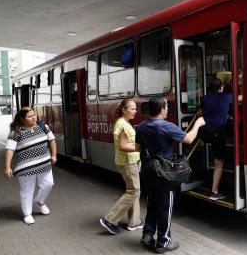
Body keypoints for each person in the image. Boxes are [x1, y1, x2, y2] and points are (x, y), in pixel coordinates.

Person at [136, 97, 205, 254]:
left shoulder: (142, 126)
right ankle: (163, 242)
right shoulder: (167, 126)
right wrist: (197, 124)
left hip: (148, 170)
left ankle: (147, 235)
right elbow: (189, 139)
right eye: (166, 107)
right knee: (165, 207)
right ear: (161, 110)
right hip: (164, 173)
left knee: (152, 203)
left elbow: (138, 147)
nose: (167, 109)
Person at [4, 107, 57, 225]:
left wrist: (54, 155)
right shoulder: (15, 132)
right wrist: (7, 167)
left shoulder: (43, 127)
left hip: (44, 163)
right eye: (30, 116)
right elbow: (9, 150)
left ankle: (40, 200)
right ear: (22, 119)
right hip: (25, 168)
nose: (34, 117)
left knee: (48, 184)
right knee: (27, 191)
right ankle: (27, 213)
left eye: (34, 115)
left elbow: (52, 140)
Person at [99, 99, 143, 235]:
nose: (135, 111)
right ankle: (110, 219)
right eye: (133, 109)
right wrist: (139, 147)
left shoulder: (124, 123)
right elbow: (123, 146)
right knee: (133, 191)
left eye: (136, 108)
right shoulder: (122, 124)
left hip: (130, 161)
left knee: (135, 190)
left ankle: (134, 222)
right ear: (124, 110)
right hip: (127, 162)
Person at [198, 76, 233, 201]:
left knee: (214, 156)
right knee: (219, 163)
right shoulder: (227, 96)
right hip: (217, 132)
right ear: (221, 87)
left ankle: (206, 178)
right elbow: (241, 98)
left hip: (203, 132)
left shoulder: (204, 98)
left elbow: (201, 114)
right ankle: (214, 192)